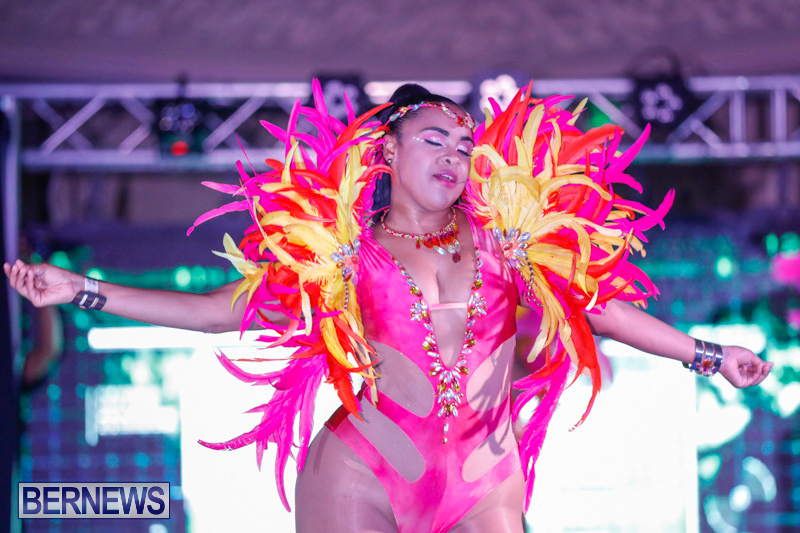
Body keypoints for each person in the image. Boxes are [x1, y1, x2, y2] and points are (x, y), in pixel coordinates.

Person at [4, 82, 773, 533]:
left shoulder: (511, 238)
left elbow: (601, 310)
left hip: (484, 480)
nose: (453, 157)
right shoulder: (342, 254)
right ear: (387, 154)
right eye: (434, 141)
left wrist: (710, 356)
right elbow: (214, 311)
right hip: (362, 474)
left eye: (463, 147)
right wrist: (82, 289)